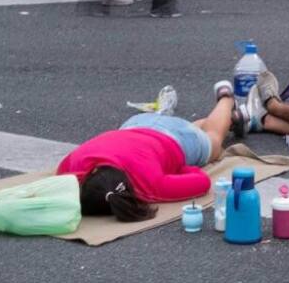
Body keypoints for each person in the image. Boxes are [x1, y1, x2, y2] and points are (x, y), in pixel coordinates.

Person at [56, 81, 243, 222]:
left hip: (175, 140)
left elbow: (201, 181)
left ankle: (226, 97)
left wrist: (180, 168)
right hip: (137, 123)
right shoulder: (74, 167)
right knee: (191, 132)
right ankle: (232, 118)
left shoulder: (149, 187)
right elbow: (62, 172)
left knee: (213, 140)